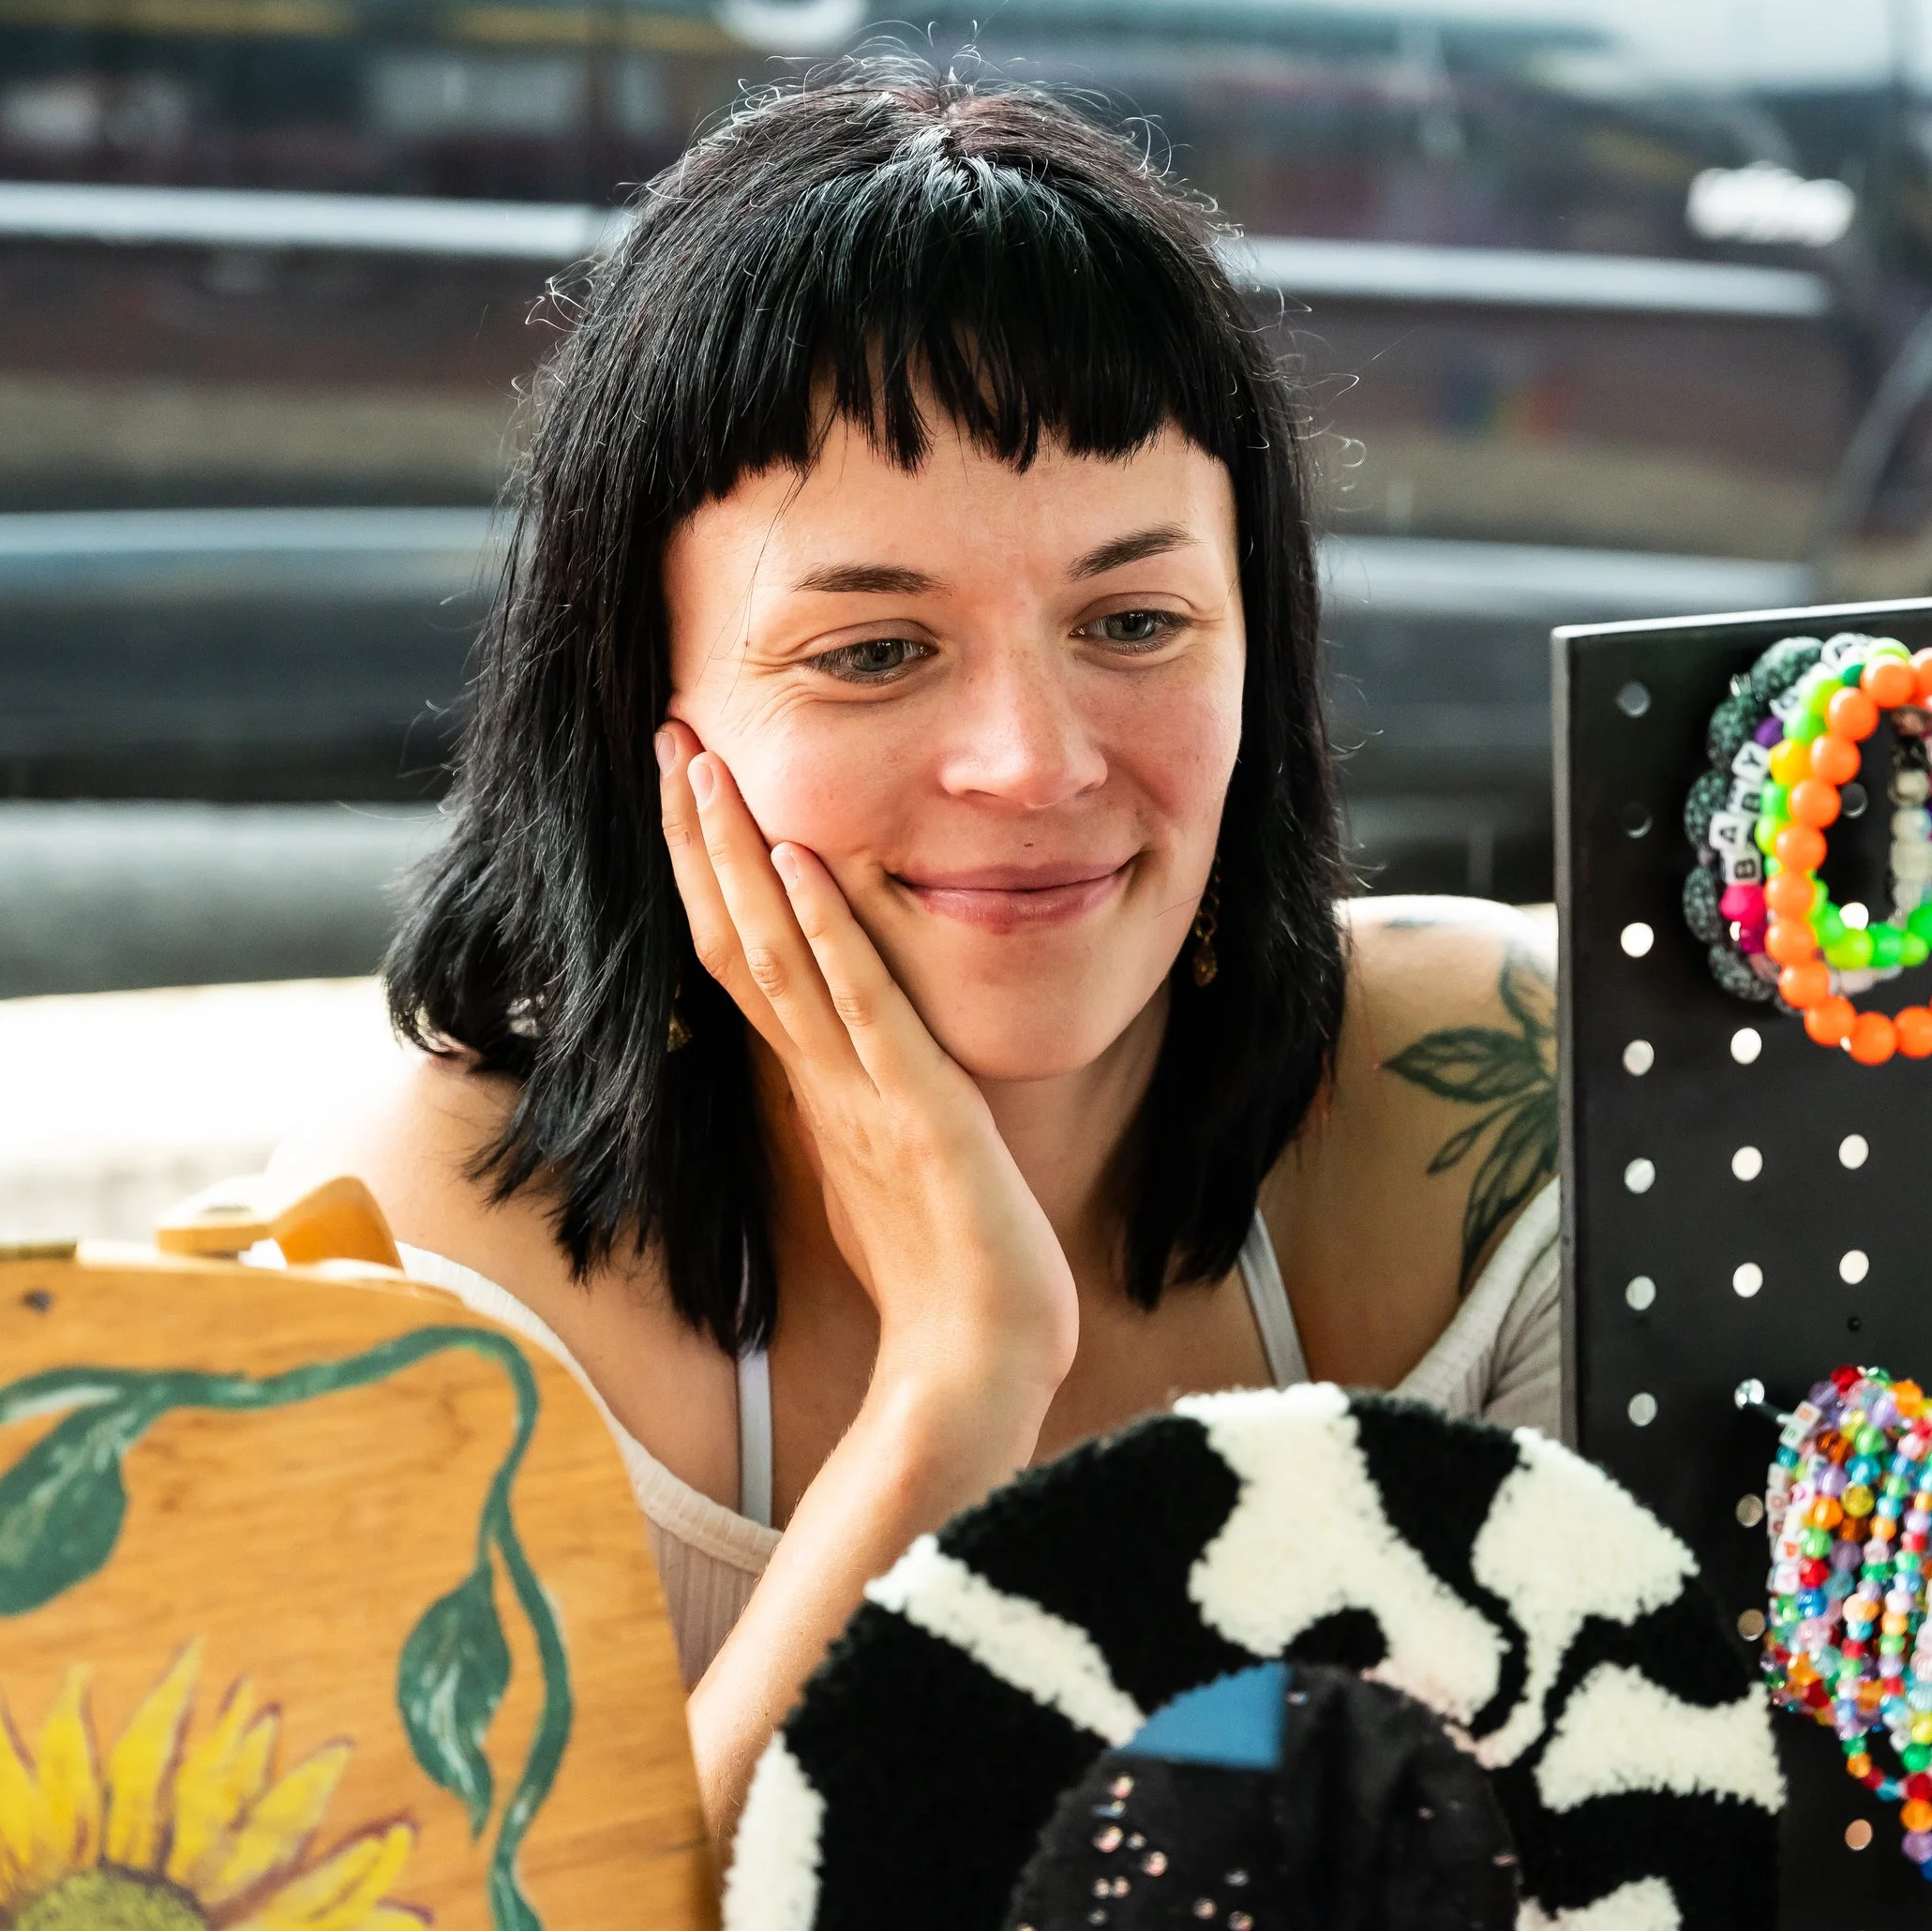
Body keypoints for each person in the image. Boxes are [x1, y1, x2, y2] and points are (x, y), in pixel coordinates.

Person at [272, 65, 1561, 1849]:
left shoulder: (1498, 1105)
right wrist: (959, 1377)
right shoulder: (425, 1263)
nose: (1032, 762)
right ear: (642, 706)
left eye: (1134, 621)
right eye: (873, 651)